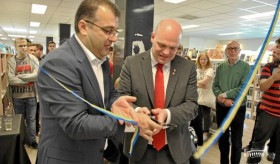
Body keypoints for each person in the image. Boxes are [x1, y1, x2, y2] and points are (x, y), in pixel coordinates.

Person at [36, 1, 161, 164]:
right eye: (108, 31)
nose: (114, 38)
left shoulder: (98, 58)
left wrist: (117, 102)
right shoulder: (59, 63)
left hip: (95, 153)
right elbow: (76, 123)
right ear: (83, 27)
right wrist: (133, 121)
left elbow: (109, 94)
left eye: (115, 31)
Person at [118, 19, 198, 164]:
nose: (166, 52)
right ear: (152, 37)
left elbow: (192, 107)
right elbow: (121, 100)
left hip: (176, 150)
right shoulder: (131, 64)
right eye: (162, 45)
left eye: (173, 48)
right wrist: (137, 114)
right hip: (139, 148)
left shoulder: (188, 68)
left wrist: (167, 114)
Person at [212, 40, 251, 164]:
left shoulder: (246, 67)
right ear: (226, 51)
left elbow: (243, 87)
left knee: (236, 140)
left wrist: (225, 95)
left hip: (237, 107)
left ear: (240, 51)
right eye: (230, 48)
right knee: (222, 139)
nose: (233, 51)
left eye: (236, 48)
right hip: (222, 107)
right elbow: (215, 86)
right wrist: (222, 99)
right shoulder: (220, 67)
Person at [247, 38, 280, 164]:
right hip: (268, 114)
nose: (276, 49)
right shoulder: (269, 67)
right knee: (258, 144)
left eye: (279, 47)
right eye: (276, 46)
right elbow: (262, 87)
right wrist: (274, 77)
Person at [7, 38, 39, 149]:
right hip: (17, 97)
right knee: (19, 121)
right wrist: (29, 79)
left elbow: (36, 76)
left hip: (31, 96)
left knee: (31, 120)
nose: (23, 48)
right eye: (20, 46)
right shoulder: (11, 61)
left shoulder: (33, 59)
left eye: (25, 45)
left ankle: (32, 141)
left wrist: (20, 76)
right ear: (16, 47)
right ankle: (21, 142)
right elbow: (11, 80)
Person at [196, 52, 215, 141]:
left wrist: (198, 84)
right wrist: (200, 84)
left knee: (206, 116)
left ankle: (206, 132)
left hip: (206, 97)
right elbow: (195, 83)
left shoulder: (210, 70)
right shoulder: (197, 70)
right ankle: (199, 131)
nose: (203, 61)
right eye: (201, 59)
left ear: (207, 60)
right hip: (198, 95)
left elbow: (205, 83)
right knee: (198, 115)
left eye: (204, 59)